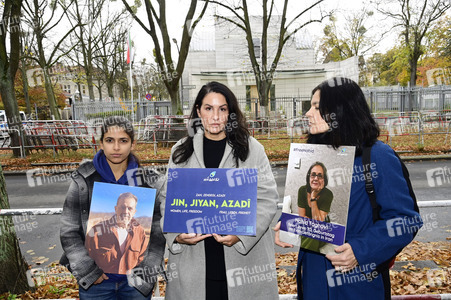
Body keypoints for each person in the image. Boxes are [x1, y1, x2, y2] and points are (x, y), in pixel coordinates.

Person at [274, 77, 422, 299]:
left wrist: (360, 251)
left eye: (316, 107)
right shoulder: (312, 156)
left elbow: (405, 221)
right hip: (314, 281)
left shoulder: (378, 157)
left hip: (357, 283)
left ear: (340, 110)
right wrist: (290, 224)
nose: (307, 114)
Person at [160, 81, 279, 300]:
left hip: (243, 263)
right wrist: (177, 235)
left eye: (222, 109)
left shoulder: (252, 149)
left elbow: (268, 198)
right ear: (198, 111)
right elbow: (167, 199)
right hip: (195, 267)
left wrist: (241, 235)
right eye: (208, 108)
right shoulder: (180, 151)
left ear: (230, 113)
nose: (215, 116)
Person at [60, 116, 165, 299]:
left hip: (136, 284)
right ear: (101, 143)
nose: (116, 148)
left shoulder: (149, 182)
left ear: (132, 144)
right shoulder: (83, 179)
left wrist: (146, 272)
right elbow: (69, 231)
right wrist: (88, 271)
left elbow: (158, 233)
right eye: (110, 140)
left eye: (123, 141)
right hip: (96, 284)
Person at [85, 192, 148, 275]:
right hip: (104, 282)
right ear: (116, 208)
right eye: (122, 207)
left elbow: (142, 259)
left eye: (130, 208)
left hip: (129, 283)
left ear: (134, 212)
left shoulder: (140, 232)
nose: (125, 211)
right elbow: (85, 258)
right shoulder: (97, 230)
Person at [297, 162, 333, 252]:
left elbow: (318, 222)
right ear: (309, 177)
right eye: (313, 175)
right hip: (307, 227)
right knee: (311, 232)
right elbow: (302, 218)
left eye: (320, 176)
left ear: (324, 180)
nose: (316, 178)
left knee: (314, 232)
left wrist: (313, 197)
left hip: (323, 229)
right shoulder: (302, 190)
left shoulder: (328, 194)